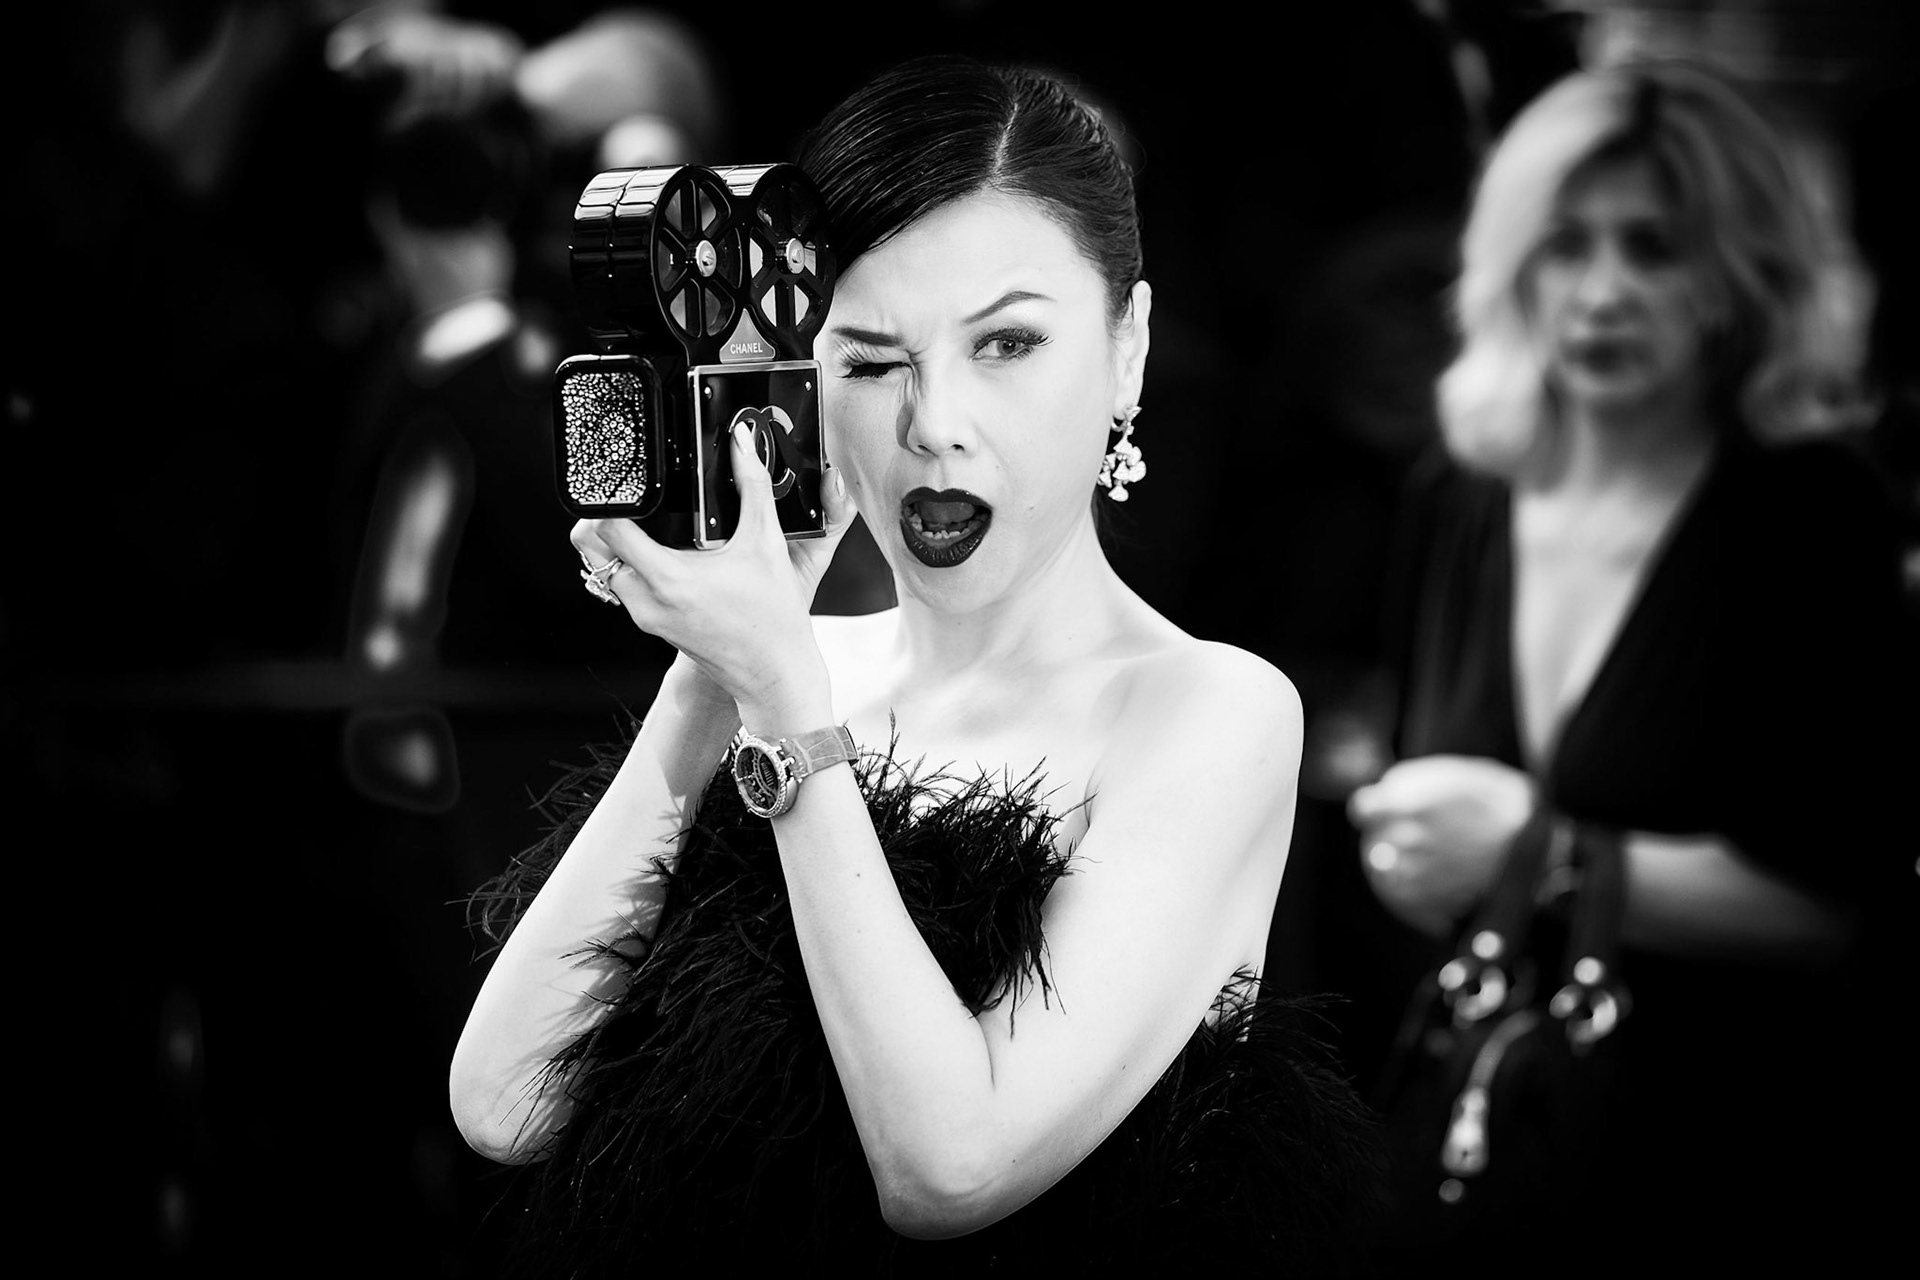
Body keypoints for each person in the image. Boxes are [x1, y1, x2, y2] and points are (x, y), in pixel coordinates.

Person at [447, 53, 1384, 1276]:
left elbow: (950, 1168)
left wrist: (786, 708)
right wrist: (710, 675)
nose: (933, 422)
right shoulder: (786, 672)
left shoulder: (1209, 709)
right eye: (872, 361)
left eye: (1007, 344)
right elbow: (507, 1100)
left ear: (1130, 348)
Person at [1346, 58, 1911, 1275]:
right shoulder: (1461, 496)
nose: (1602, 292)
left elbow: (1831, 910)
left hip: (1727, 1166)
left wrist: (1533, 852)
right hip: (1488, 1156)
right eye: (1567, 246)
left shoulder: (1815, 515)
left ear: (1738, 277)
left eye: (1654, 249)